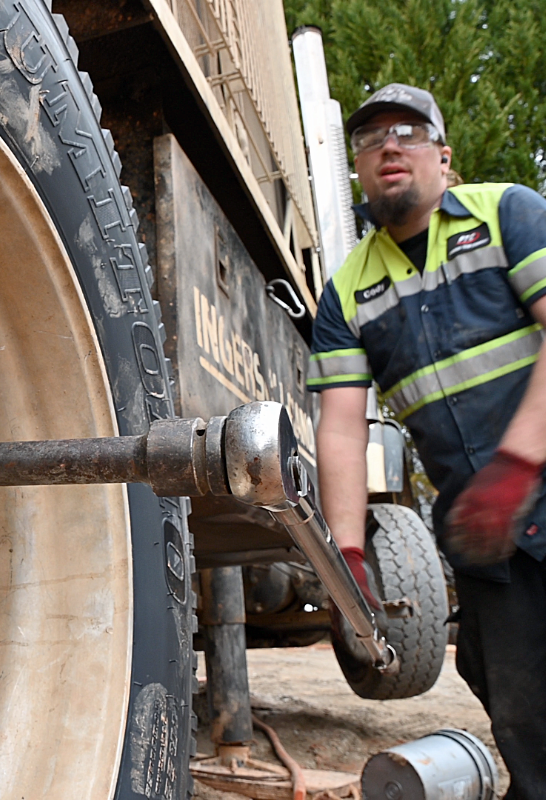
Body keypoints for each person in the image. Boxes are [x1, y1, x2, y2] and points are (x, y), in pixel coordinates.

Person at [306, 83, 546, 798]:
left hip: (528, 486)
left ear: (444, 156)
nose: (388, 145)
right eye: (371, 138)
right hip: (488, 535)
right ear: (359, 168)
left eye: (407, 132)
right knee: (518, 707)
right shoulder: (348, 291)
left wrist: (517, 463)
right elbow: (343, 428)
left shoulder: (508, 214)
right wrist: (345, 553)